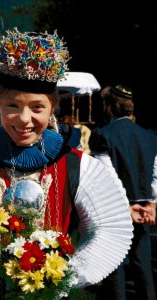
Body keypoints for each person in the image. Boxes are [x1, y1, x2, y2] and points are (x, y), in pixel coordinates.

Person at [0, 28, 134, 299]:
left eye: (37, 107)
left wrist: (59, 277)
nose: (24, 119)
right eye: (12, 106)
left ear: (53, 108)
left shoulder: (80, 167)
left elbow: (110, 229)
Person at [89, 84, 157, 300]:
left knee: (115, 264)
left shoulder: (102, 135)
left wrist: (124, 206)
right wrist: (152, 205)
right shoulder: (149, 136)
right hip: (144, 210)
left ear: (109, 107)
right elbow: (156, 172)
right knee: (143, 264)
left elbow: (106, 176)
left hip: (116, 210)